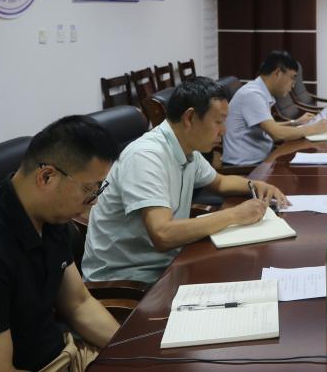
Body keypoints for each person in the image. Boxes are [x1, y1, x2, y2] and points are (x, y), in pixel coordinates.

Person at [0, 116, 121, 372]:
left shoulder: (50, 215)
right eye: (89, 190)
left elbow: (78, 304)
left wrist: (130, 351)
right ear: (46, 177)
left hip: (64, 353)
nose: (94, 201)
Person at [82, 77, 288, 284]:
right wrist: (235, 214)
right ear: (190, 118)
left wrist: (256, 185)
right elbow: (162, 234)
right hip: (127, 279)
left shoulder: (186, 148)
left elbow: (220, 182)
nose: (224, 130)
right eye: (218, 122)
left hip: (167, 261)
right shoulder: (145, 156)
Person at [221, 50, 326, 167]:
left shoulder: (259, 91)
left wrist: (295, 123)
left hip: (262, 159)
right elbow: (276, 134)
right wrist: (314, 129)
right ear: (278, 73)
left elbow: (269, 126)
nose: (293, 85)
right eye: (292, 78)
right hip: (246, 167)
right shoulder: (252, 94)